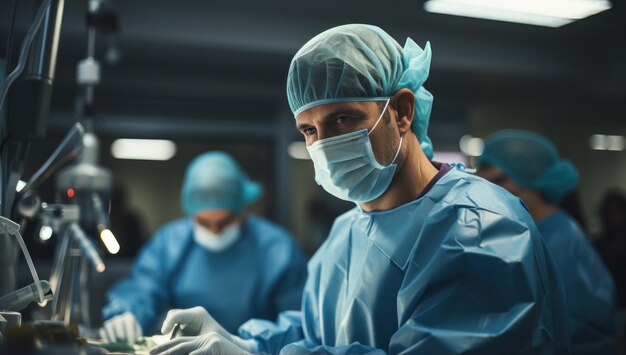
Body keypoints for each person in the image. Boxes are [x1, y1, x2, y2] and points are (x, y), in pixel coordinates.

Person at [150, 24, 570, 355]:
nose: (324, 144)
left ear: (402, 112)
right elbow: (318, 333)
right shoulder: (346, 231)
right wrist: (245, 342)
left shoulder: (479, 230)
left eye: (343, 119)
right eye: (309, 130)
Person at [100, 151, 307, 343]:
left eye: (224, 222)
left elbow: (298, 322)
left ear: (243, 209)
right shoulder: (171, 242)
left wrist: (245, 345)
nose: (215, 231)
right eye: (205, 223)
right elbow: (144, 285)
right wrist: (128, 313)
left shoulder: (277, 248)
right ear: (191, 213)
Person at [477, 130, 616, 354]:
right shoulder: (523, 233)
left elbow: (583, 331)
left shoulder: (563, 240)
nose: (486, 192)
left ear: (530, 181)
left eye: (497, 180)